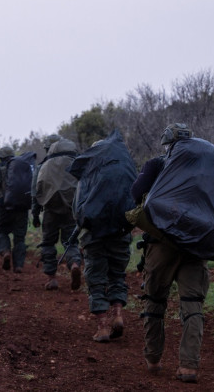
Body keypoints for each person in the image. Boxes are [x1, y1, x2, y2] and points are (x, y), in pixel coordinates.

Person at [131, 123, 214, 384]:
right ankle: (189, 367)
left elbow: (135, 193)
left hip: (162, 244)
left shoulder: (156, 164)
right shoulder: (207, 169)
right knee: (193, 304)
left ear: (168, 144)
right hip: (196, 245)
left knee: (154, 299)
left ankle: (153, 359)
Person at [67, 131, 137, 343]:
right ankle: (117, 314)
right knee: (117, 274)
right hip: (121, 232)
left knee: (96, 278)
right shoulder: (126, 169)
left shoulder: (89, 174)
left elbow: (78, 210)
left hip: (94, 236)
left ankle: (103, 326)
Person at [32, 137, 82, 291]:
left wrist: (35, 214)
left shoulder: (43, 166)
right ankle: (74, 263)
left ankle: (52, 278)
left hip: (50, 209)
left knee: (48, 243)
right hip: (71, 208)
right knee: (71, 242)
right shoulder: (77, 162)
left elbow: (36, 191)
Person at [0, 146, 29, 273]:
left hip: (5, 206)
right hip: (22, 207)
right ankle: (19, 265)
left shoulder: (1, 169)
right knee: (20, 237)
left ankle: (5, 252)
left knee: (2, 232)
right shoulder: (23, 168)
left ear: (1, 158)